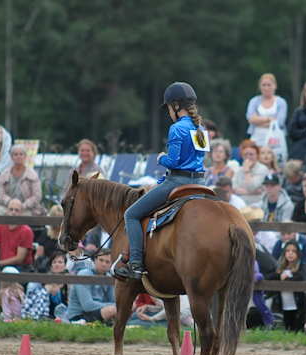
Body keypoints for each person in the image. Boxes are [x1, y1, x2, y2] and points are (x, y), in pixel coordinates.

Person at [114, 82, 207, 279]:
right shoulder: (200, 128)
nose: (169, 113)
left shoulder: (177, 128)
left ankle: (136, 264)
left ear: (175, 105)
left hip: (178, 182)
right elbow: (193, 162)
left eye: (169, 109)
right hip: (200, 184)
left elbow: (173, 161)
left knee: (131, 214)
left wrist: (160, 158)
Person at [263, 240, 306, 332]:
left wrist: (285, 281)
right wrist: (279, 276)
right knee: (288, 328)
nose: (290, 253)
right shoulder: (279, 268)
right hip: (285, 305)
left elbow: (300, 277)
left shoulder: (301, 267)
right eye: (288, 251)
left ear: (298, 253)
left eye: (294, 251)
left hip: (298, 305)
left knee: (298, 330)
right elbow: (267, 276)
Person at [69, 249, 117, 323]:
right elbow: (87, 306)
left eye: (107, 262)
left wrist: (116, 306)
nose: (104, 264)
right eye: (101, 260)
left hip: (99, 311)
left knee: (118, 309)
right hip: (79, 315)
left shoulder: (109, 277)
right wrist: (113, 306)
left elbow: (113, 300)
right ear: (95, 260)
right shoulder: (84, 275)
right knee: (112, 310)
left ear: (111, 264)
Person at [0, 144, 46, 216]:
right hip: (6, 206)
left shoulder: (32, 175)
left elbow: (37, 196)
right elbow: (1, 194)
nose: (18, 156)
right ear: (11, 157)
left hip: (26, 209)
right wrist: (10, 203)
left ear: (24, 156)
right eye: (15, 154)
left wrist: (22, 206)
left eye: (21, 154)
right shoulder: (4, 174)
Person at [245, 73, 288, 146]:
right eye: (264, 85)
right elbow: (250, 119)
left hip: (275, 140)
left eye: (269, 85)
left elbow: (279, 122)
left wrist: (258, 120)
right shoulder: (254, 101)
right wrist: (269, 119)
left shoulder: (281, 102)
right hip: (257, 139)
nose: (266, 88)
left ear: (274, 86)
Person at [0, 199, 34, 272]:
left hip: (21, 268)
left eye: (16, 210)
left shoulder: (26, 230)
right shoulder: (0, 226)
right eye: (11, 209)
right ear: (6, 211)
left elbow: (20, 259)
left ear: (22, 212)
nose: (13, 212)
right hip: (2, 266)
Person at [232, 140, 270, 205]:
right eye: (245, 154)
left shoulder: (262, 169)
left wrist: (247, 170)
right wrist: (251, 193)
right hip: (240, 204)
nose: (248, 157)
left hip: (256, 205)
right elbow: (234, 189)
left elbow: (251, 187)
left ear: (257, 155)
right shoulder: (239, 170)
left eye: (251, 154)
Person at [34, 204, 64, 271]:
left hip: (64, 267)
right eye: (57, 219)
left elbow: (73, 255)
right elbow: (38, 255)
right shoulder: (46, 234)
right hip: (47, 266)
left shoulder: (69, 235)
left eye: (62, 218)